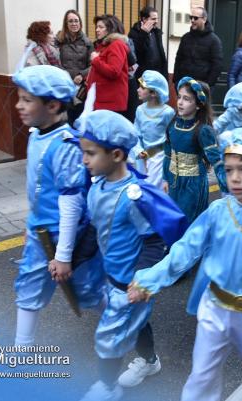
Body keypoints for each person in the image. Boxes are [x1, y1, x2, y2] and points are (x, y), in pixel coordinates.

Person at [128, 127, 242, 401]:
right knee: (202, 374)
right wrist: (150, 279)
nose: (234, 178)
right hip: (214, 307)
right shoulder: (218, 210)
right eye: (228, 169)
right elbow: (185, 249)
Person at [77, 110, 186, 401]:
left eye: (90, 153)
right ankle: (150, 362)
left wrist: (142, 280)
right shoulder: (97, 187)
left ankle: (108, 387)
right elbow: (93, 232)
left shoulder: (133, 196)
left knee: (109, 338)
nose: (84, 160)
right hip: (110, 278)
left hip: (131, 284)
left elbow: (153, 243)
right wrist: (71, 261)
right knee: (137, 328)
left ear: (115, 155)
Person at [11, 65, 105, 346]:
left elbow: (72, 203)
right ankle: (21, 351)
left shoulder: (65, 145)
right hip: (41, 233)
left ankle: (124, 328)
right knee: (28, 288)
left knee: (89, 291)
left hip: (68, 238)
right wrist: (31, 222)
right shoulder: (35, 134)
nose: (19, 105)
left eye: (27, 100)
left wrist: (63, 255)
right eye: (19, 98)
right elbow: (38, 188)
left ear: (52, 105)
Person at [164, 77, 227, 223]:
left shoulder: (203, 131)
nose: (180, 102)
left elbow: (216, 160)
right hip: (174, 182)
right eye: (179, 97)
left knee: (190, 221)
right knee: (174, 219)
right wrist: (165, 177)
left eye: (187, 99)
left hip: (193, 185)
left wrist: (226, 182)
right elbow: (168, 152)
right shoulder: (173, 124)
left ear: (198, 105)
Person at [129, 70, 175, 189]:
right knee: (140, 188)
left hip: (159, 158)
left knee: (154, 190)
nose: (138, 90)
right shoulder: (139, 110)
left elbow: (173, 138)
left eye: (142, 88)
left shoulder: (167, 112)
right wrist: (138, 151)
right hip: (142, 157)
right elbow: (136, 133)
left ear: (154, 93)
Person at [55, 10, 93, 123]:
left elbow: (93, 65)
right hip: (63, 85)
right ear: (66, 24)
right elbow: (54, 61)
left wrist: (82, 75)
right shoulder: (59, 41)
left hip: (79, 88)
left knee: (77, 119)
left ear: (80, 23)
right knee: (63, 118)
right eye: (70, 21)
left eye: (76, 21)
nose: (74, 24)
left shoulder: (87, 42)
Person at [86, 15, 129, 114]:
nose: (97, 30)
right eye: (97, 27)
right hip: (102, 100)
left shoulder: (116, 45)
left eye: (101, 27)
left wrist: (96, 60)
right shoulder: (105, 45)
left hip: (109, 102)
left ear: (110, 29)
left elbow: (114, 71)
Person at [173, 7, 223, 87]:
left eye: (195, 18)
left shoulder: (214, 40)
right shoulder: (185, 38)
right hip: (184, 84)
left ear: (204, 19)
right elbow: (178, 59)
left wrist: (208, 85)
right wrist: (176, 81)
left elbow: (217, 65)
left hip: (202, 85)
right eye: (191, 17)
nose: (192, 20)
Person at [128, 6, 168, 81]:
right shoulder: (134, 32)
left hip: (157, 74)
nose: (156, 21)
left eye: (157, 18)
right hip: (143, 76)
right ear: (144, 19)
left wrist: (164, 75)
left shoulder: (156, 32)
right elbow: (136, 53)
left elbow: (161, 55)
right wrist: (143, 33)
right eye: (153, 19)